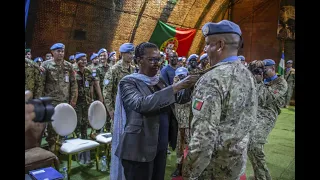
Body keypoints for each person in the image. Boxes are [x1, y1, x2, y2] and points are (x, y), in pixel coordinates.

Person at [111, 42, 199, 180]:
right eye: (151, 59)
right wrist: (176, 86)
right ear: (139, 60)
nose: (156, 63)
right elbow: (142, 104)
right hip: (139, 148)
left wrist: (190, 85)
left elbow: (178, 99)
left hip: (159, 145)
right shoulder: (128, 82)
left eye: (158, 60)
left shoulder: (158, 80)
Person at [182, 20, 258, 180]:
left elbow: (204, 135)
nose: (205, 49)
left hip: (212, 169)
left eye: (208, 44)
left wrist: (190, 172)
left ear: (220, 45)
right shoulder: (248, 75)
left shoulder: (212, 78)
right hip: (235, 165)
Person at [247, 59, 288, 180]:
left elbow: (265, 98)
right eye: (260, 70)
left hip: (267, 115)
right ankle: (259, 175)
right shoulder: (259, 79)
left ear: (273, 69)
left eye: (265, 70)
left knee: (255, 144)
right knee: (248, 144)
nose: (262, 73)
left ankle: (264, 177)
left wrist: (259, 82)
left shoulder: (281, 83)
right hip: (253, 113)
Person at [41, 43, 78, 152]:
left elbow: (73, 84)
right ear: (52, 52)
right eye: (58, 51)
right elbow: (41, 83)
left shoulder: (68, 66)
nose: (61, 53)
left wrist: (73, 99)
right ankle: (52, 149)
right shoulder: (46, 65)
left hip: (64, 102)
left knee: (63, 124)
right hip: (51, 102)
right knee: (52, 127)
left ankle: (61, 147)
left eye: (62, 51)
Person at [103, 43, 135, 132]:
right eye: (129, 53)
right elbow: (106, 91)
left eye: (132, 53)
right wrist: (110, 110)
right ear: (122, 54)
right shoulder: (114, 70)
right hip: (118, 108)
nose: (131, 56)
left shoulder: (133, 69)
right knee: (117, 135)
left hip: (131, 107)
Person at [171, 67, 192, 177]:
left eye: (184, 75)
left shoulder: (192, 86)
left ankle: (189, 167)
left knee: (191, 146)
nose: (182, 78)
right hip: (179, 124)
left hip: (189, 123)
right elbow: (175, 101)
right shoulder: (174, 88)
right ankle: (179, 167)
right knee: (179, 147)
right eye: (180, 76)